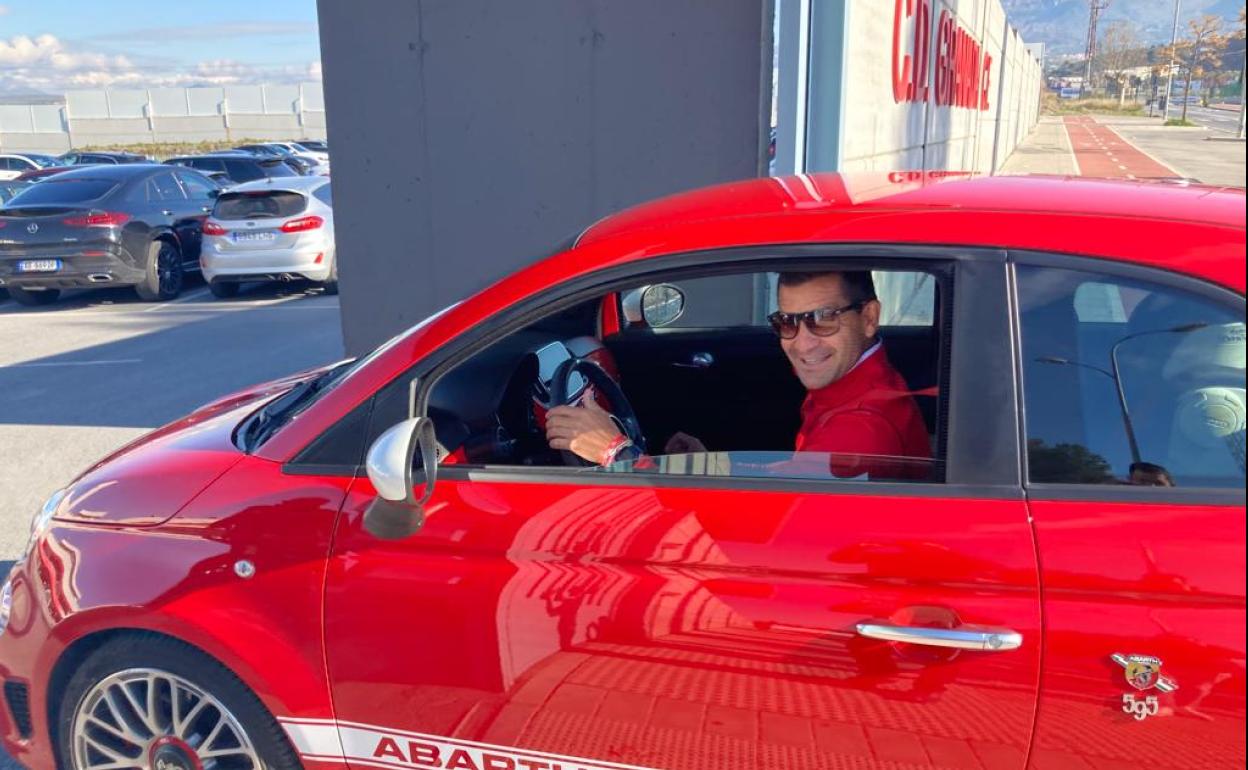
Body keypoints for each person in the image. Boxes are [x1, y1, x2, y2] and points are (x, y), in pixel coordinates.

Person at [544, 270, 932, 478]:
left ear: (869, 318)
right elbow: (792, 480)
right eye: (787, 322)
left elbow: (763, 537)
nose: (801, 343)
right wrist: (703, 465)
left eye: (823, 320)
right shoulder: (856, 388)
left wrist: (616, 453)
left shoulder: (859, 429)